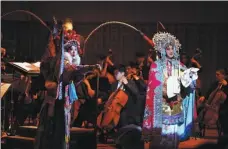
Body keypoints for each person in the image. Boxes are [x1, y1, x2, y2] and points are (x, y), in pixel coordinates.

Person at [142, 32, 198, 149]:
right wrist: (165, 90)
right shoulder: (156, 65)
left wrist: (190, 78)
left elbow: (188, 82)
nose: (171, 51)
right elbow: (153, 86)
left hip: (176, 103)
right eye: (168, 49)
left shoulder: (180, 65)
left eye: (173, 48)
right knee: (162, 134)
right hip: (161, 104)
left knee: (174, 133)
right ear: (163, 50)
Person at [34, 18, 83, 149]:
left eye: (70, 30)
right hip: (53, 95)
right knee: (48, 127)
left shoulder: (73, 47)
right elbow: (44, 66)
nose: (69, 33)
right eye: (66, 30)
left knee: (64, 129)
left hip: (66, 96)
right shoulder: (53, 46)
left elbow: (76, 72)